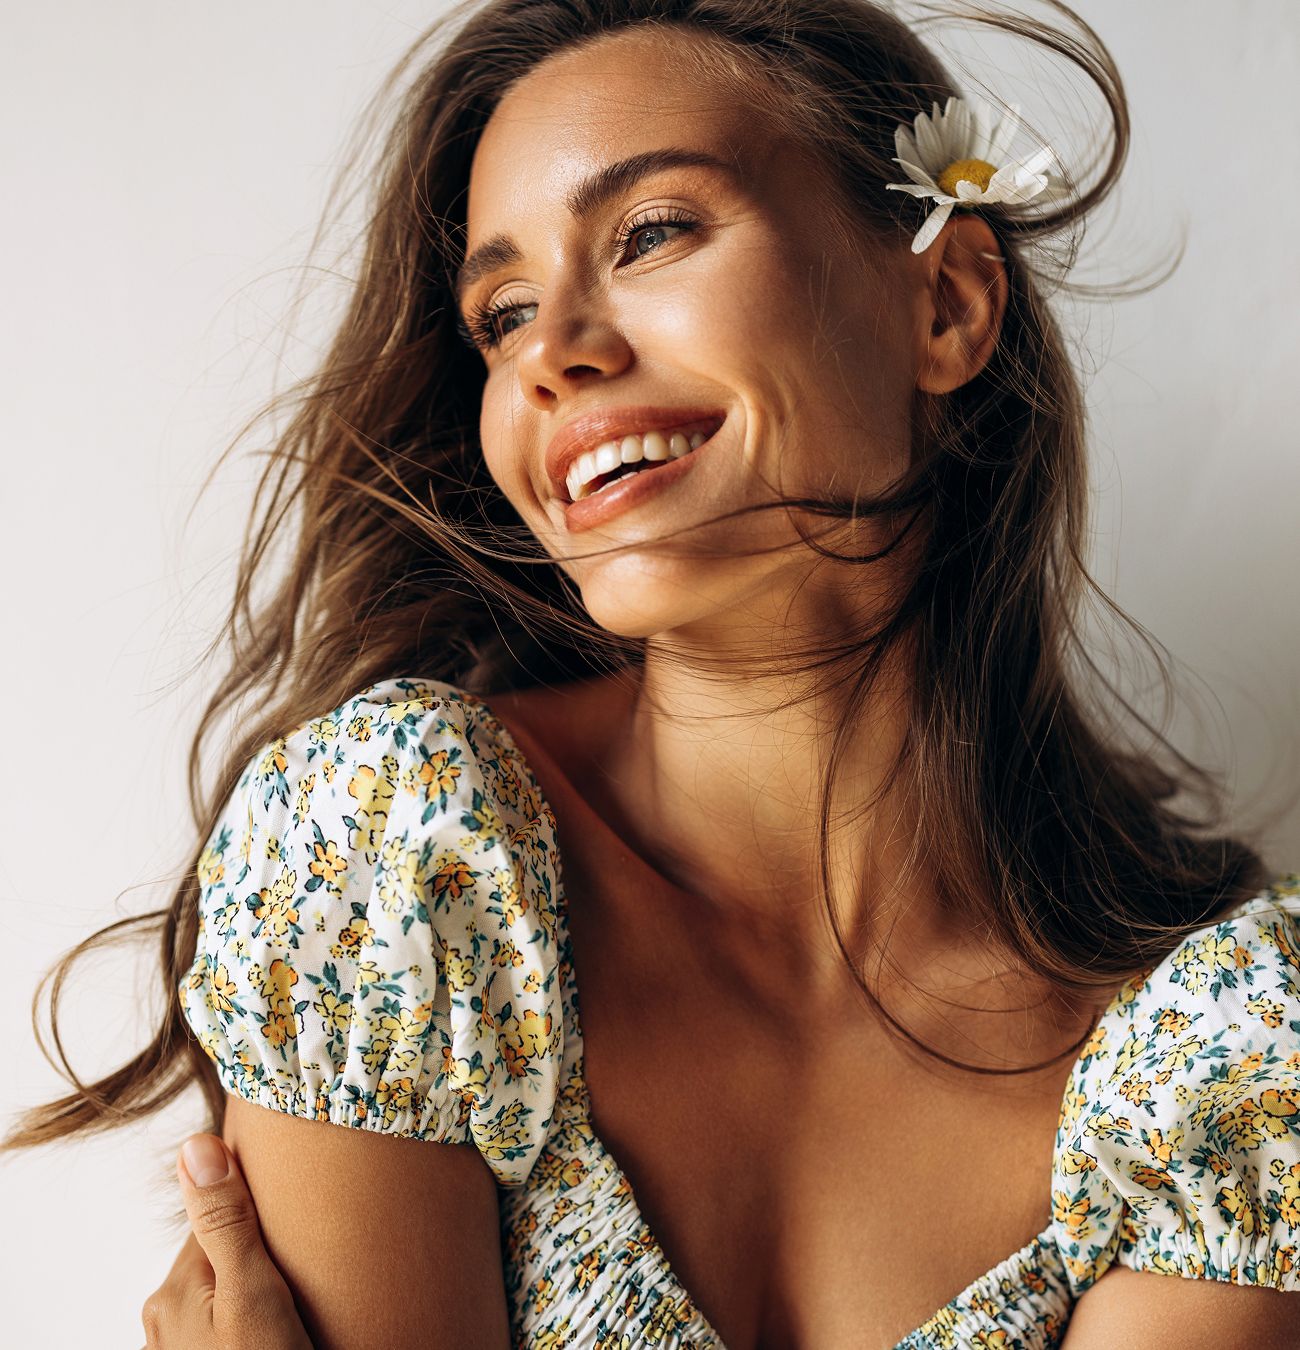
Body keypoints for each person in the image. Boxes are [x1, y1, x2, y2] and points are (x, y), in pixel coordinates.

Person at [5, 1, 1298, 1347]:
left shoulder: (1228, 1057)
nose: (555, 350)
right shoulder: (395, 857)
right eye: (501, 315)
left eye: (652, 234)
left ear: (947, 302)